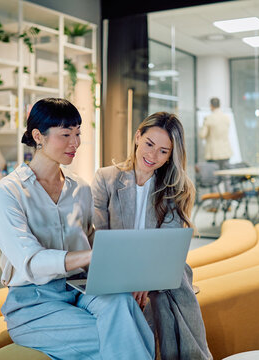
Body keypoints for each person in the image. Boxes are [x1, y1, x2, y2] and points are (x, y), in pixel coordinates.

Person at [0, 98, 155, 360]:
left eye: (78, 133)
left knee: (125, 304)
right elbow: (30, 260)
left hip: (80, 289)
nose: (75, 143)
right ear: (38, 136)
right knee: (121, 338)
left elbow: (91, 241)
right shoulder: (10, 191)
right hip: (35, 303)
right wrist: (92, 255)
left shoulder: (80, 188)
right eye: (66, 134)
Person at [91, 112, 212, 360]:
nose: (152, 156)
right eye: (149, 144)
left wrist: (144, 281)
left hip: (160, 269)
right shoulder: (106, 178)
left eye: (163, 151)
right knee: (124, 302)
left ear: (171, 155)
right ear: (137, 137)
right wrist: (129, 279)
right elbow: (98, 237)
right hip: (115, 267)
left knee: (160, 297)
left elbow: (168, 246)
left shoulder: (177, 187)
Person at [199, 97, 233, 170]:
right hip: (225, 151)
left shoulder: (208, 118)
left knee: (213, 177)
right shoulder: (226, 117)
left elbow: (202, 135)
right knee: (225, 175)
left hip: (213, 152)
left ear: (211, 106)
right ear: (219, 105)